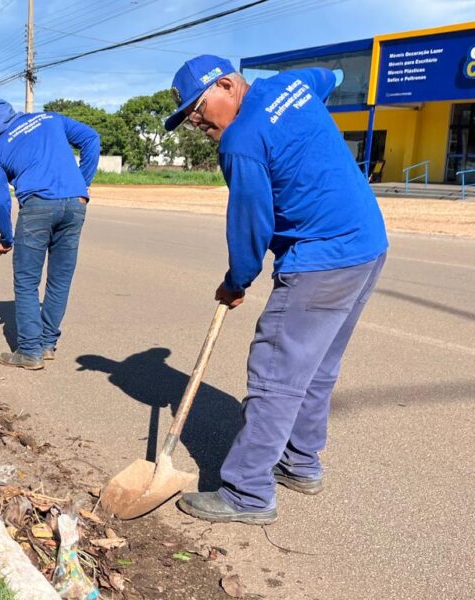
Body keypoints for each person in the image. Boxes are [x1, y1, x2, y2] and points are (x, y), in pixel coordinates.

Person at [163, 55, 388, 524]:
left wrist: (236, 282)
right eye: (189, 119)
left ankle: (247, 492)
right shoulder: (293, 84)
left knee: (275, 374)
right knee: (317, 366)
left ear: (227, 86)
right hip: (367, 245)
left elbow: (251, 226)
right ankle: (300, 463)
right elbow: (330, 76)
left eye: (198, 110)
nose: (197, 124)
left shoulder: (241, 141)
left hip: (320, 259)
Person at [0, 98, 101, 370]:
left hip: (37, 208)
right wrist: (82, 184)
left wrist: (6, 237)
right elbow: (91, 138)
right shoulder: (50, 119)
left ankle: (30, 351)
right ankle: (46, 344)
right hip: (75, 205)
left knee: (26, 281)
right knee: (60, 280)